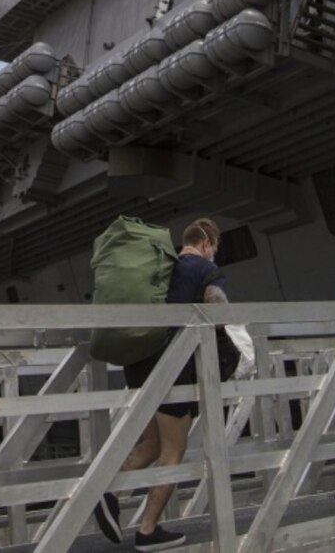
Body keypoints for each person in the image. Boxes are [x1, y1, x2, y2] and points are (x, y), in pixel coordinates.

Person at [95, 218, 227, 552]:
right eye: (215, 247)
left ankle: (109, 492)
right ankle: (147, 530)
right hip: (172, 369)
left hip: (138, 364)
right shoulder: (201, 268)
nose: (214, 253)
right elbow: (220, 312)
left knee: (152, 445)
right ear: (207, 242)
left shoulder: (164, 265)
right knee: (173, 451)